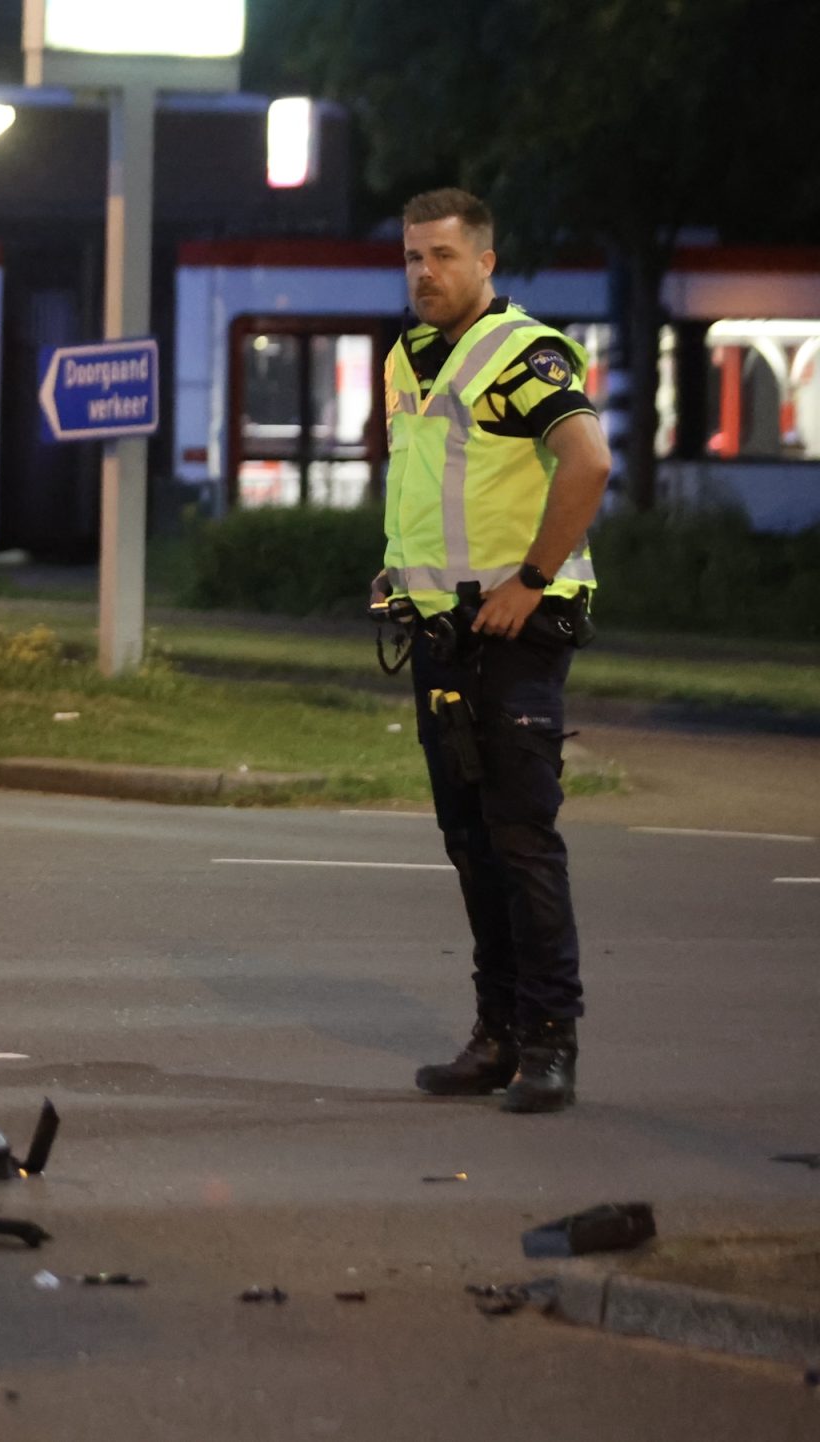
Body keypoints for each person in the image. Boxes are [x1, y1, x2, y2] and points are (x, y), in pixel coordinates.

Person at [379, 188, 612, 1113]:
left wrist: (531, 578)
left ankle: (550, 1044)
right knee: (470, 842)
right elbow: (426, 485)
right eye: (411, 257)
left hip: (514, 632)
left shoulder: (523, 352)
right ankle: (498, 1034)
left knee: (520, 841)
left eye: (441, 256)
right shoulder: (411, 356)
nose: (423, 273)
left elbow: (588, 462)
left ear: (485, 262)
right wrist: (395, 576)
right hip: (441, 633)